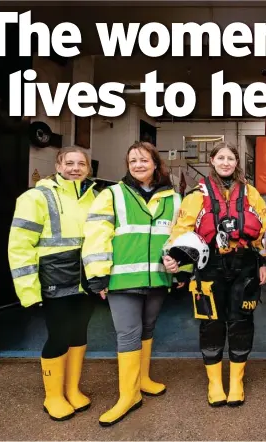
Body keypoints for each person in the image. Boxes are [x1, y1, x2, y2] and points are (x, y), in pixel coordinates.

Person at [82, 141, 181, 426]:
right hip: (122, 278)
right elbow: (96, 234)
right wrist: (98, 274)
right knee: (127, 334)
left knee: (148, 329)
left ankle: (143, 379)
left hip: (158, 278)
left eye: (143, 160)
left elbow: (179, 237)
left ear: (155, 163)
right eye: (132, 161)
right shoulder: (111, 194)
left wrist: (181, 268)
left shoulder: (173, 198)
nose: (138, 165)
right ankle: (128, 396)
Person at [165, 141, 266, 407]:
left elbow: (264, 232)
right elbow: (182, 230)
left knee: (241, 321)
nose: (226, 163)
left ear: (237, 163)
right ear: (212, 160)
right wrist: (173, 259)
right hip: (208, 264)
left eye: (230, 158)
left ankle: (236, 381)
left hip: (244, 264)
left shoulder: (251, 194)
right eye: (221, 157)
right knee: (211, 322)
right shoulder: (195, 196)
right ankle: (214, 383)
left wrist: (265, 263)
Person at [8, 147, 98, 421]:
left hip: (85, 279)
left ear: (88, 168)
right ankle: (53, 396)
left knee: (79, 334)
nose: (75, 168)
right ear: (58, 165)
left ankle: (72, 389)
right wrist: (28, 291)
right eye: (69, 162)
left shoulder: (92, 196)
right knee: (58, 336)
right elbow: (19, 246)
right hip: (54, 279)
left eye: (80, 163)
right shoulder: (36, 197)